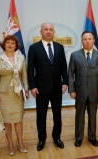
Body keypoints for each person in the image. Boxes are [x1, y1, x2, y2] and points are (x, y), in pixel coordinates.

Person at [27, 22, 68, 151]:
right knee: (41, 115)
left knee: (57, 115)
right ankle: (41, 139)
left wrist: (65, 82)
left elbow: (63, 67)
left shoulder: (60, 47)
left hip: (57, 88)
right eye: (46, 29)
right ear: (41, 32)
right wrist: (32, 86)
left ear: (53, 32)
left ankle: (57, 138)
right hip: (41, 89)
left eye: (51, 29)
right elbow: (30, 69)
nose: (48, 32)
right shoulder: (34, 48)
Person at [0, 35, 29, 156]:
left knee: (18, 120)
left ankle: (20, 142)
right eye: (7, 42)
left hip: (17, 94)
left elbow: (24, 75)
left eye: (12, 43)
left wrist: (26, 89)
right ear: (4, 44)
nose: (9, 45)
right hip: (4, 95)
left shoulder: (21, 58)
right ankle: (10, 144)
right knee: (7, 121)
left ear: (15, 46)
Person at [68, 31, 98, 147]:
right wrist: (72, 90)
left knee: (93, 115)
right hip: (79, 91)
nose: (87, 41)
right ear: (82, 41)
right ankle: (78, 137)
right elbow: (70, 73)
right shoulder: (75, 55)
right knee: (79, 115)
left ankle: (92, 137)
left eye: (90, 39)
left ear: (93, 40)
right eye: (85, 39)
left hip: (94, 91)